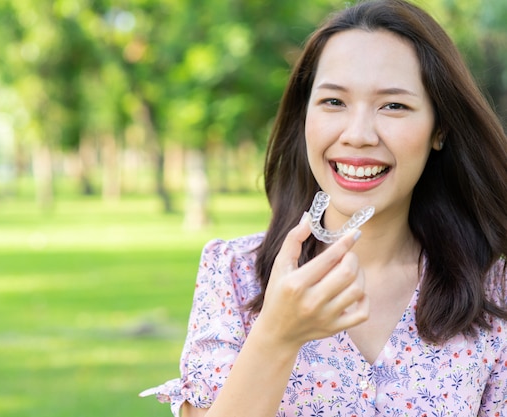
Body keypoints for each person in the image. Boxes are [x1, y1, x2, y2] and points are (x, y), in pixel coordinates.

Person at [140, 0, 507, 415]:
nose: (358, 135)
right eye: (334, 102)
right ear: (304, 117)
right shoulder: (233, 274)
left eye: (394, 105)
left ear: (439, 129)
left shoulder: (493, 291)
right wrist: (277, 335)